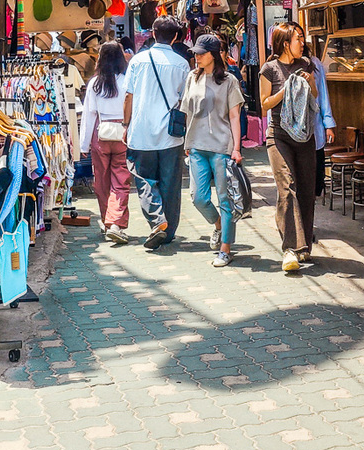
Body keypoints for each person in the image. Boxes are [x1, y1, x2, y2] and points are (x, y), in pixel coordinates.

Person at [259, 22, 332, 273]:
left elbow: (314, 98)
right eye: (298, 39)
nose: (303, 42)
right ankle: (290, 248)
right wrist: (287, 87)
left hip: (305, 135)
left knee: (306, 191)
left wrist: (310, 82)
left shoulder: (307, 65)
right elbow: (265, 104)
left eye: (302, 38)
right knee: (286, 187)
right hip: (279, 135)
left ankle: (304, 248)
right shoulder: (269, 69)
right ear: (284, 43)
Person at [123, 15, 189, 250]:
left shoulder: (138, 61)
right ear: (175, 37)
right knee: (171, 183)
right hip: (171, 134)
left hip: (140, 131)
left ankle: (157, 220)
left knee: (144, 179)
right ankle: (168, 231)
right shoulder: (182, 64)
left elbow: (128, 96)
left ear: (152, 33)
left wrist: (125, 124)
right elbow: (184, 100)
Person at [182, 33, 244, 268]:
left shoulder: (229, 81)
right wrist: (187, 143)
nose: (197, 57)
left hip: (221, 147)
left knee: (225, 198)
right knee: (198, 198)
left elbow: (235, 116)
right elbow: (186, 111)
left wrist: (236, 148)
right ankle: (218, 224)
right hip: (196, 145)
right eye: (196, 53)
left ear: (214, 55)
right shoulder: (192, 78)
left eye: (201, 53)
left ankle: (226, 249)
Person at [79, 41, 131, 244]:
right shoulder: (127, 81)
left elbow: (89, 116)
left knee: (101, 182)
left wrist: (84, 145)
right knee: (121, 181)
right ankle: (115, 222)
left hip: (100, 134)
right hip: (123, 133)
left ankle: (108, 221)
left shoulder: (94, 83)